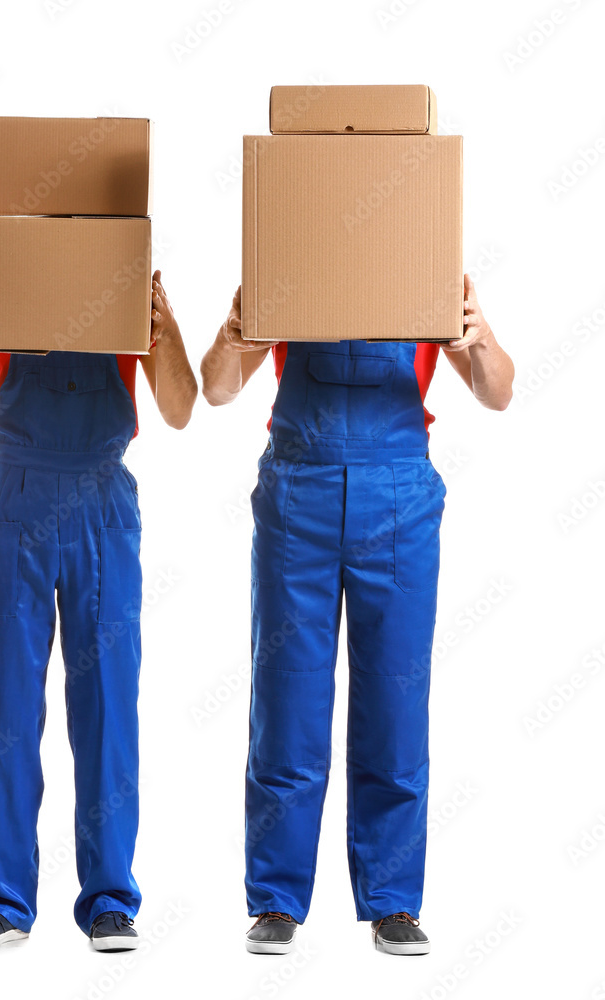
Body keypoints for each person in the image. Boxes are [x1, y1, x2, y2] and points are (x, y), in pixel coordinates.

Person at [200, 275, 513, 956]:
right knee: (287, 703)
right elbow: (217, 389)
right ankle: (276, 901)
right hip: (298, 494)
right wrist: (234, 331)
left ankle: (393, 902)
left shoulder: (427, 259)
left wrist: (478, 335)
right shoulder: (284, 253)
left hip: (396, 495)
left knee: (396, 702)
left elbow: (498, 393)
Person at [0, 270, 197, 951]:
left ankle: (110, 900)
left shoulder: (125, 269)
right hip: (15, 497)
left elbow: (183, 408)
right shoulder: (7, 264)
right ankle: (5, 902)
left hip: (101, 500)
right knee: (8, 712)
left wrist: (165, 331)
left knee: (108, 708)